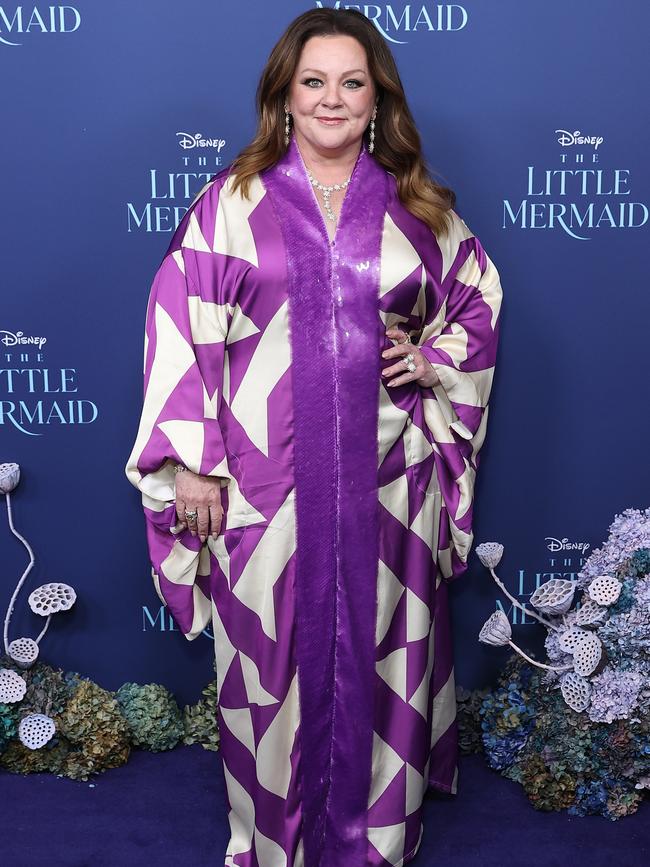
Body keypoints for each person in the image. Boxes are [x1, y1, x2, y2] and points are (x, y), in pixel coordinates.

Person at [125, 7, 502, 866]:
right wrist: (190, 462)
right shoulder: (233, 204)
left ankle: (379, 839)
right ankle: (272, 837)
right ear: (284, 97)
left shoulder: (418, 207)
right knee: (271, 660)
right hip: (265, 487)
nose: (333, 98)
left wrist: (435, 356)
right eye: (314, 81)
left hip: (389, 485)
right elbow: (179, 323)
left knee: (382, 653)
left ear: (378, 101)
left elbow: (477, 301)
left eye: (353, 82)